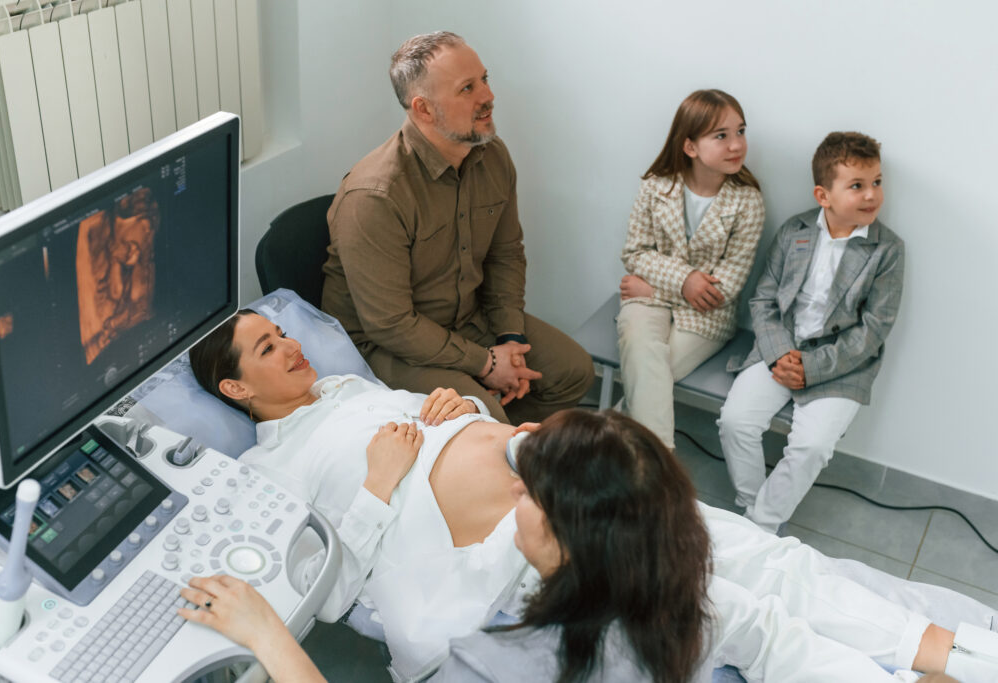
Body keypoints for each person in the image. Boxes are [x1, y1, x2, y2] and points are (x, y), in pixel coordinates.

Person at [187, 310, 997, 681]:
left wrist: (456, 406)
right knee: (713, 598)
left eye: (283, 330)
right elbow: (323, 595)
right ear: (235, 385)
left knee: (758, 557)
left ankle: (942, 648)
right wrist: (377, 486)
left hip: (553, 483)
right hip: (484, 541)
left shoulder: (344, 387)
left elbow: (466, 421)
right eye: (266, 346)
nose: (291, 342)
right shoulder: (267, 475)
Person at [178, 410, 969, 682]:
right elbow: (764, 630)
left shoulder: (503, 659)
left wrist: (266, 632)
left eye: (522, 493)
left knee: (779, 570)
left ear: (560, 533)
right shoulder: (670, 583)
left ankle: (938, 648)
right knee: (769, 584)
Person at [320, 31, 594, 425]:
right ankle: (491, 445)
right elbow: (391, 324)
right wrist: (485, 363)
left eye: (485, 79)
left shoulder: (492, 155)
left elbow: (506, 253)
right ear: (424, 109)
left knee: (573, 371)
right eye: (467, 88)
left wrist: (510, 339)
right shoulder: (375, 196)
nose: (487, 96)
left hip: (466, 318)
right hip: (384, 346)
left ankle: (506, 448)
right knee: (484, 413)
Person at [718, 132, 902, 534]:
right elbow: (763, 300)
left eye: (877, 182)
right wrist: (780, 353)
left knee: (812, 446)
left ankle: (760, 526)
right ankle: (752, 507)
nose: (872, 195)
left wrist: (812, 367)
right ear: (824, 195)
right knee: (735, 421)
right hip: (779, 350)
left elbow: (874, 330)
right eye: (857, 185)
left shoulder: (887, 250)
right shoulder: (794, 231)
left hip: (840, 366)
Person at [618, 89, 765, 452]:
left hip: (706, 317)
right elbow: (635, 252)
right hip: (644, 303)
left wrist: (656, 289)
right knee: (642, 349)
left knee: (649, 373)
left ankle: (617, 453)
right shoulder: (656, 186)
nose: (736, 144)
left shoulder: (748, 201)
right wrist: (685, 280)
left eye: (740, 131)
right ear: (690, 147)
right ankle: (658, 464)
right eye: (721, 135)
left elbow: (724, 288)